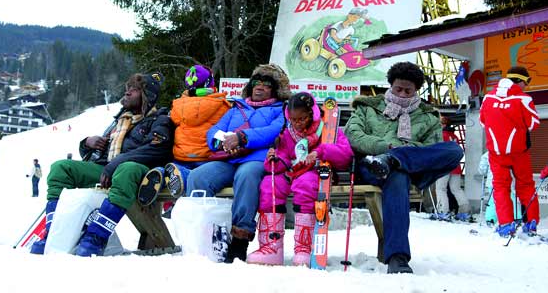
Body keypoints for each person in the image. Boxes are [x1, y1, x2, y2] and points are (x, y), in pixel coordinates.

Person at [29, 72, 174, 256]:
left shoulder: (160, 119)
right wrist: (87, 143)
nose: (127, 93)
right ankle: (54, 232)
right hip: (108, 169)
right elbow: (98, 155)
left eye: (135, 90)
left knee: (125, 169)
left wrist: (117, 162)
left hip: (140, 173)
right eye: (127, 89)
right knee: (61, 168)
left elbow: (158, 149)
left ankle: (95, 237)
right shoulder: (120, 121)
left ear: (147, 96)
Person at [344, 61, 463, 274]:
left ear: (416, 90)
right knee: (397, 177)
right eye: (398, 88)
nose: (403, 93)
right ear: (390, 85)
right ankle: (397, 257)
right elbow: (353, 135)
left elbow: (432, 149)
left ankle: (394, 159)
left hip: (414, 169)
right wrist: (384, 148)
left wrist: (398, 153)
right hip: (372, 166)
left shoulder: (428, 116)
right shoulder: (367, 107)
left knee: (454, 151)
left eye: (408, 90)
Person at [186, 63, 291, 263]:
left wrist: (241, 138)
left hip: (257, 157)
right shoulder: (237, 108)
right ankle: (206, 234)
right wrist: (222, 142)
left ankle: (239, 240)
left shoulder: (280, 109)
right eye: (256, 83)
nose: (260, 87)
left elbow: (274, 131)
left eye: (266, 85)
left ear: (275, 89)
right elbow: (214, 131)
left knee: (247, 176)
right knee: (198, 177)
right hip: (229, 157)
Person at [246, 92, 353, 267]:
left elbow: (345, 154)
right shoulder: (288, 132)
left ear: (312, 113)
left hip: (316, 172)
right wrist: (274, 159)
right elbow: (282, 160)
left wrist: (321, 151)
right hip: (292, 172)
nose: (297, 124)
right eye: (293, 120)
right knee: (269, 185)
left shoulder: (328, 128)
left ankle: (303, 248)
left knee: (305, 184)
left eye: (302, 119)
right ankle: (272, 247)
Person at [138, 65, 231, 205]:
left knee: (176, 170)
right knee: (194, 176)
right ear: (209, 83)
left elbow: (174, 122)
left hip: (181, 156)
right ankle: (182, 174)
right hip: (206, 158)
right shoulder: (221, 105)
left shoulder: (178, 105)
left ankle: (161, 173)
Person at [480, 66, 540, 237]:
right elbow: (533, 124)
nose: (526, 87)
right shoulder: (524, 99)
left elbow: (483, 121)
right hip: (519, 151)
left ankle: (506, 224)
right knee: (526, 185)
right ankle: (531, 222)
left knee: (500, 187)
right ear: (520, 81)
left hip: (496, 152)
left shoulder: (487, 98)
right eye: (526, 83)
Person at [434, 117, 470, 221]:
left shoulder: (441, 135)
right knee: (456, 189)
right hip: (456, 166)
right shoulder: (454, 136)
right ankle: (465, 212)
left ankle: (443, 211)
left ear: (443, 125)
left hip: (444, 166)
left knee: (441, 189)